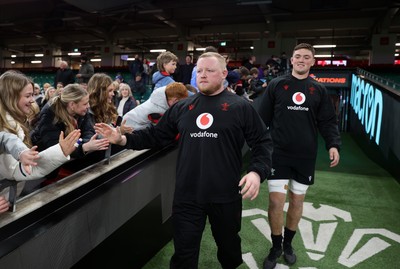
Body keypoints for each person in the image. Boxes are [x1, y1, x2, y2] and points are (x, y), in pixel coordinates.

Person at [95, 52, 273, 269]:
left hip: (226, 194)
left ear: (224, 73)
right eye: (199, 71)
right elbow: (155, 136)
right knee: (184, 254)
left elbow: (263, 142)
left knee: (229, 249)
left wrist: (256, 172)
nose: (203, 75)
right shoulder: (183, 107)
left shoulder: (240, 107)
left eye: (209, 70)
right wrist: (122, 139)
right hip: (187, 195)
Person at [257, 43, 341, 269]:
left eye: (306, 57)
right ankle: (275, 247)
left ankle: (288, 245)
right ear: (291, 60)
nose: (301, 60)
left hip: (305, 156)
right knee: (276, 201)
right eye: (297, 56)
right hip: (278, 153)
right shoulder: (277, 84)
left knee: (296, 201)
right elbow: (260, 118)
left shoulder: (319, 90)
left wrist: (333, 144)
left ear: (313, 62)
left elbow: (327, 121)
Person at [0, 70, 81, 199]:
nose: (32, 100)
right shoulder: (6, 128)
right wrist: (60, 151)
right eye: (28, 96)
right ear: (11, 97)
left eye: (32, 95)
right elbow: (17, 170)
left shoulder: (14, 123)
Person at [31, 83, 108, 159]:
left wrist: (80, 144)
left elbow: (89, 133)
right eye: (85, 104)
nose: (88, 106)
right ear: (72, 105)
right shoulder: (50, 116)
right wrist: (83, 147)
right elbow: (57, 148)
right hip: (47, 162)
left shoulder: (82, 112)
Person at [122, 82, 188, 131]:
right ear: (174, 100)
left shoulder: (160, 100)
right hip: (129, 127)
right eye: (181, 102)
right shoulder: (156, 111)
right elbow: (161, 129)